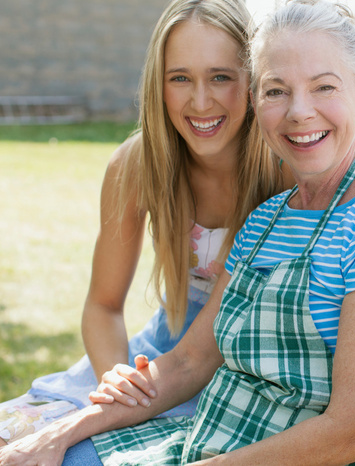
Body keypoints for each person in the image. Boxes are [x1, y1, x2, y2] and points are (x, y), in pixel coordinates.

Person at [0, 0, 355, 464]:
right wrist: (61, 431)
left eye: (323, 87)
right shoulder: (272, 215)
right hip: (203, 415)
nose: (299, 112)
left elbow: (352, 432)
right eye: (276, 91)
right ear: (259, 100)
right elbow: (189, 360)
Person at [0, 0, 287, 447]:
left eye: (220, 77)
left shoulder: (284, 172)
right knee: (11, 436)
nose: (200, 100)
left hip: (246, 364)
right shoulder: (136, 165)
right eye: (180, 78)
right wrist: (114, 377)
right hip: (163, 350)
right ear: (159, 83)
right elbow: (103, 305)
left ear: (252, 78)